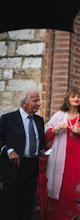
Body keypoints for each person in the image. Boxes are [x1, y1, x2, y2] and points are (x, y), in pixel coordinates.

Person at [45, 88, 80, 219]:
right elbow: (47, 131)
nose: (76, 99)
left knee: (78, 183)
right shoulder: (59, 115)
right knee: (62, 185)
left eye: (78, 97)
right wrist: (58, 128)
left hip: (79, 157)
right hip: (62, 157)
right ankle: (59, 215)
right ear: (68, 99)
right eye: (73, 97)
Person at [0, 89, 46, 220]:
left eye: (39, 100)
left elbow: (40, 142)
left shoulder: (39, 120)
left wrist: (42, 150)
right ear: (24, 102)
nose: (38, 103)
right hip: (14, 167)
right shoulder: (8, 119)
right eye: (35, 101)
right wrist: (8, 150)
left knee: (27, 205)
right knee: (9, 206)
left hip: (32, 168)